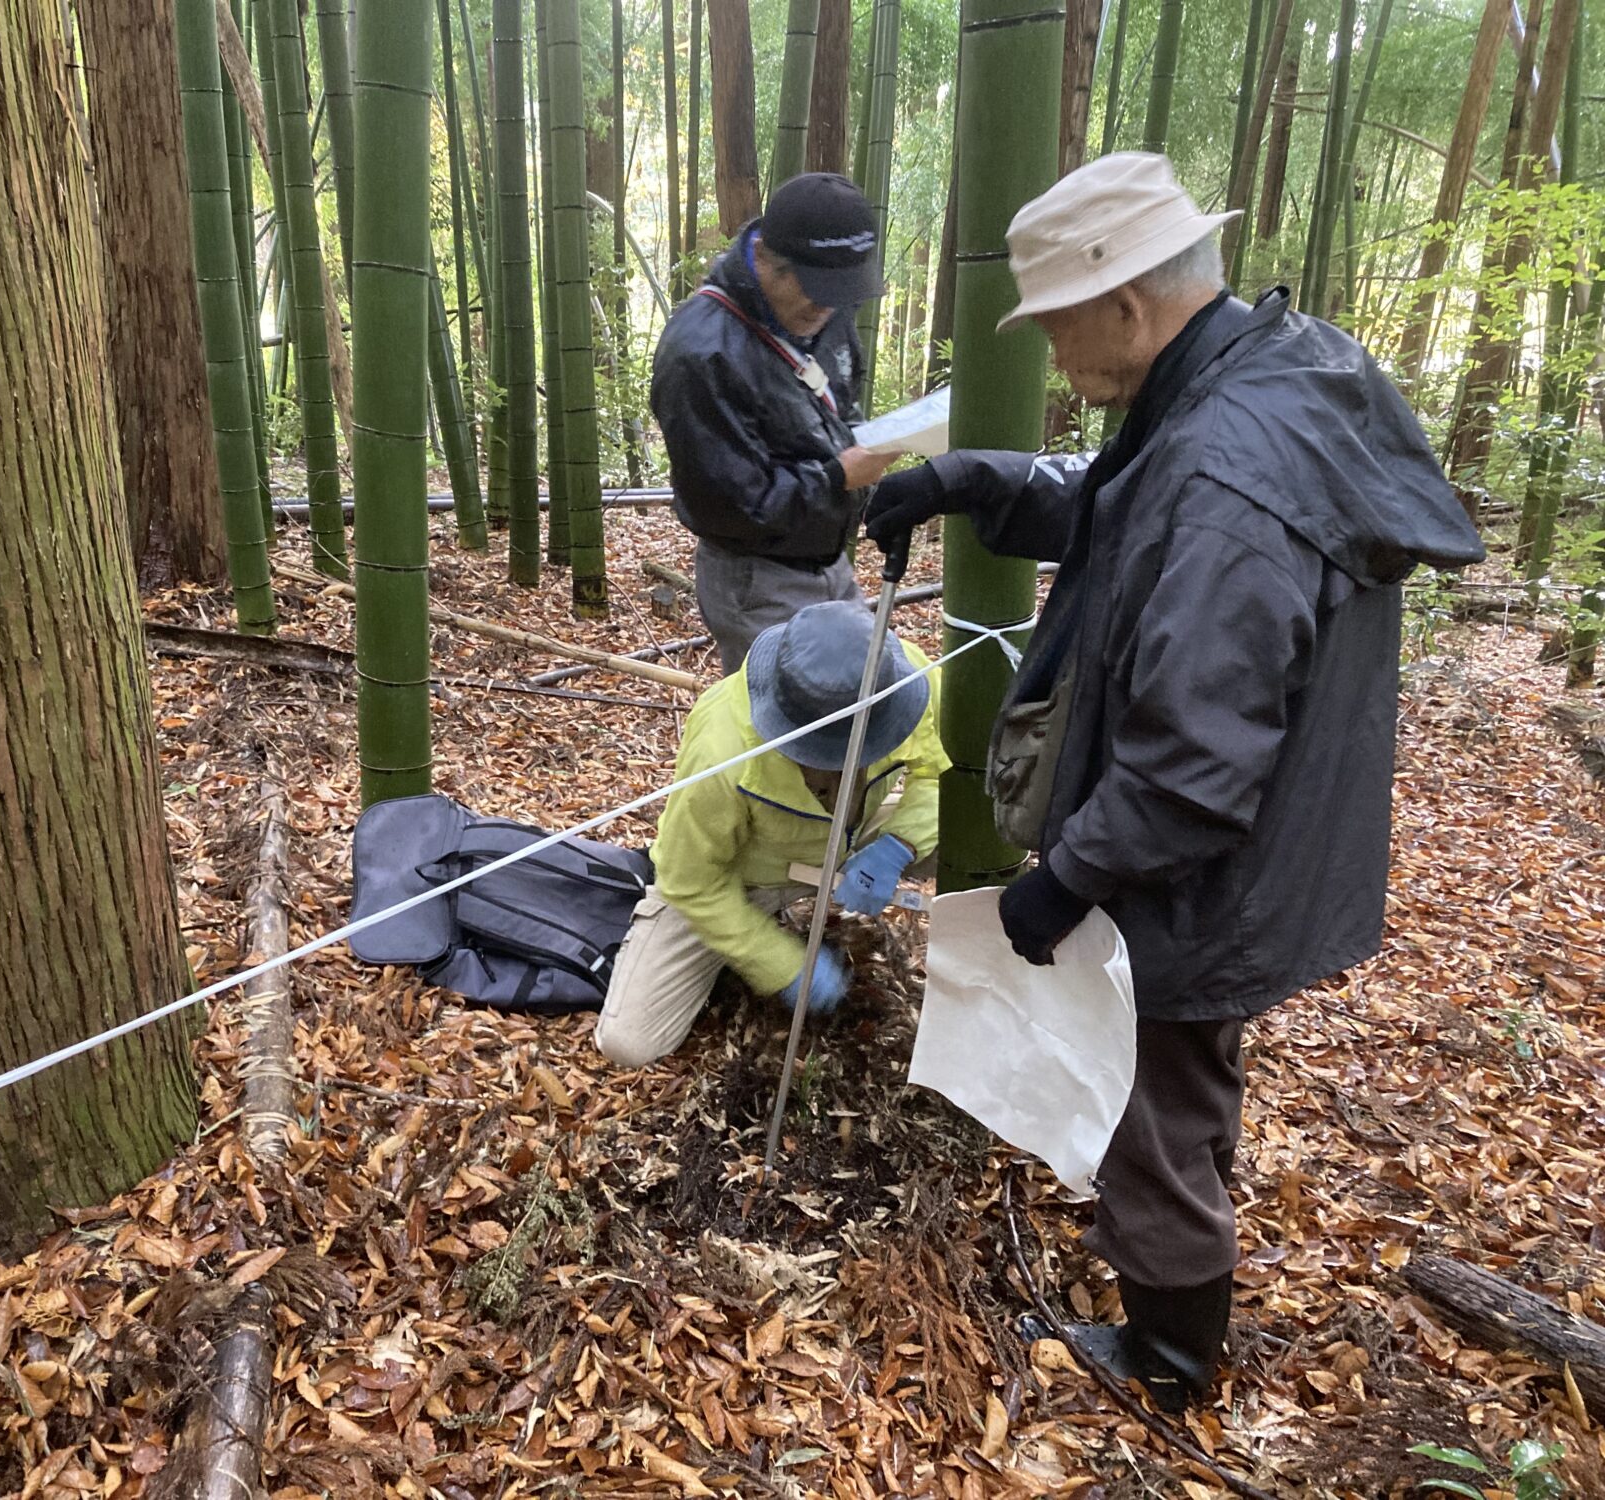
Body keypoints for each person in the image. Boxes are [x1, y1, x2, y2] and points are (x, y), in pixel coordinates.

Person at [864, 153, 1485, 1412]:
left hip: (1203, 863)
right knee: (1182, 1078)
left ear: (1127, 305)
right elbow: (1124, 502)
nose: (1048, 353)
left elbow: (1195, 765)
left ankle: (1169, 1353)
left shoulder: (1225, 471)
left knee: (1153, 1095)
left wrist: (1066, 882)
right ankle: (1175, 1293)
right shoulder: (1265, 377)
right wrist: (969, 481)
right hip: (1251, 843)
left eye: (1053, 326)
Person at [593, 600, 945, 1067]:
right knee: (627, 1043)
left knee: (984, 831)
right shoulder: (722, 749)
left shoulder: (903, 682)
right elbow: (690, 881)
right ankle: (731, 951)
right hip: (743, 878)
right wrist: (782, 964)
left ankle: (983, 970)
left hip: (860, 840)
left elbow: (947, 773)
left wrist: (900, 844)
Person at [651, 173, 897, 673]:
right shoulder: (701, 353)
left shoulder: (825, 307)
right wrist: (837, 477)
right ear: (763, 257)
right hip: (756, 578)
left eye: (840, 291)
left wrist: (868, 444)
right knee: (790, 735)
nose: (825, 307)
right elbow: (731, 506)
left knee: (865, 699)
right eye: (813, 289)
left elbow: (841, 395)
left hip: (829, 560)